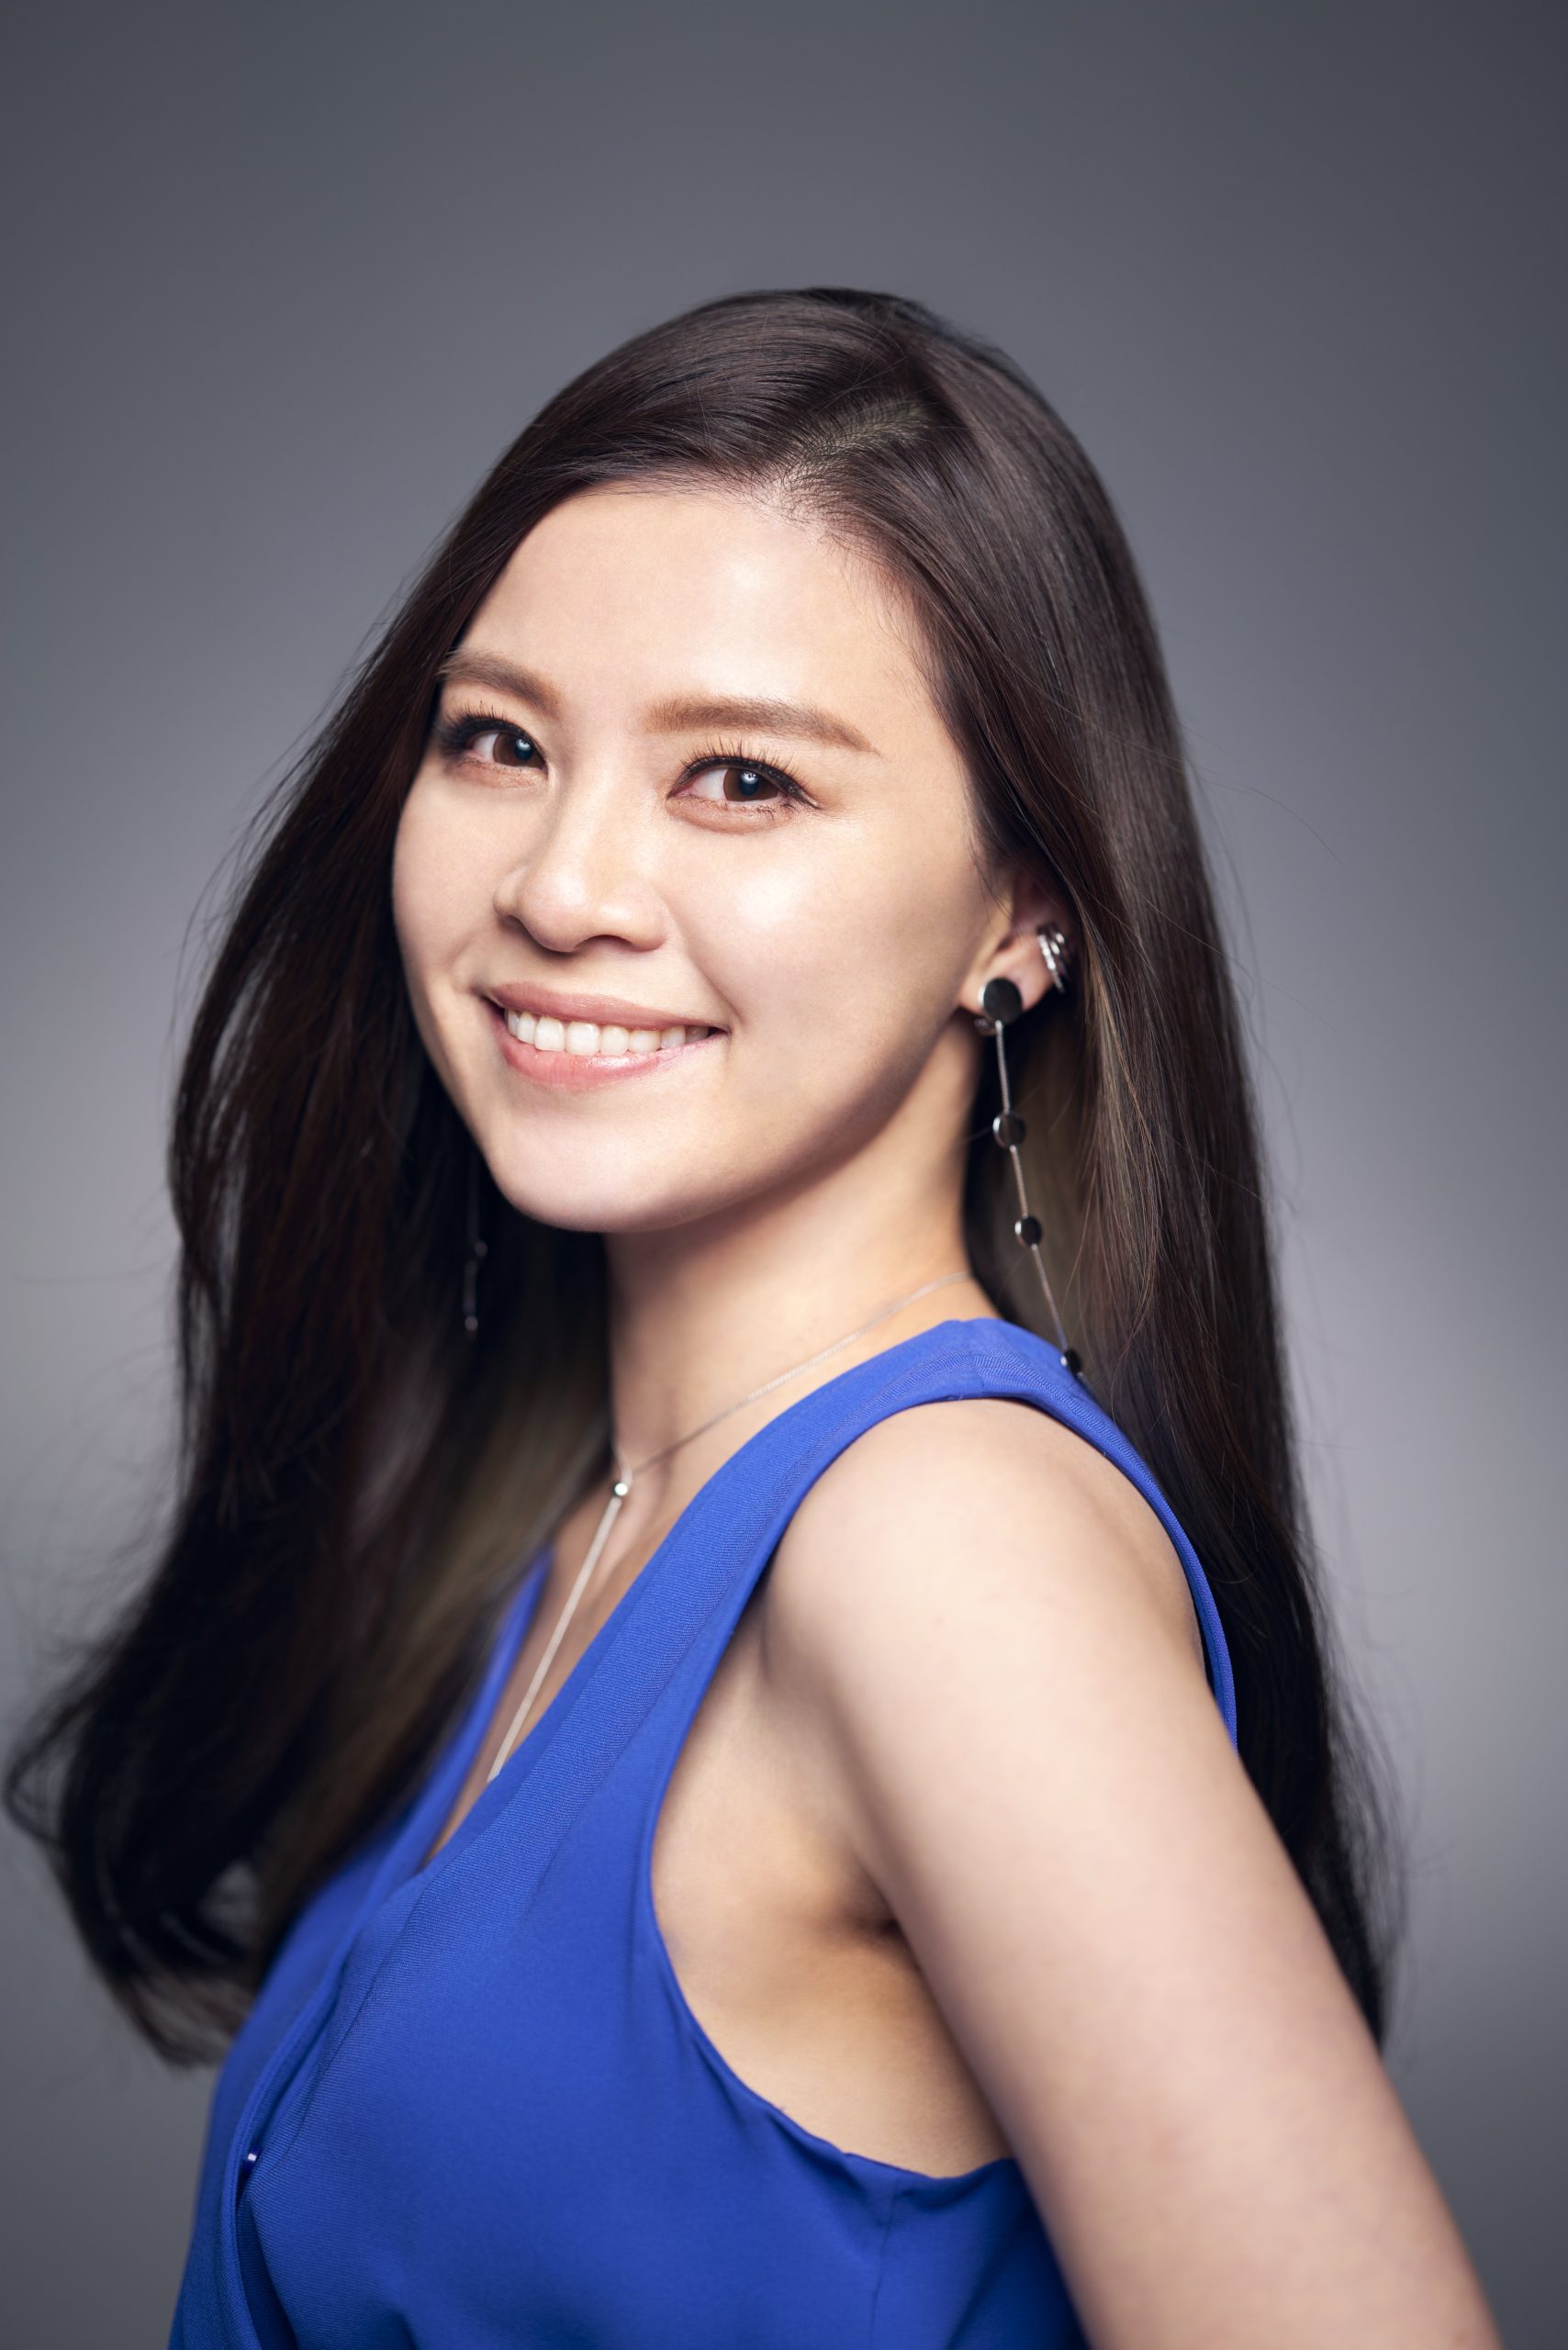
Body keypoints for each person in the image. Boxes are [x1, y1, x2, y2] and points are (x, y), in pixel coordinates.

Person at [6, 286, 1499, 2347]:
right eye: (498, 740)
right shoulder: (569, 1525)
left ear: (1023, 914)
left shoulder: (938, 1546)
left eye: (739, 778)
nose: (561, 884)